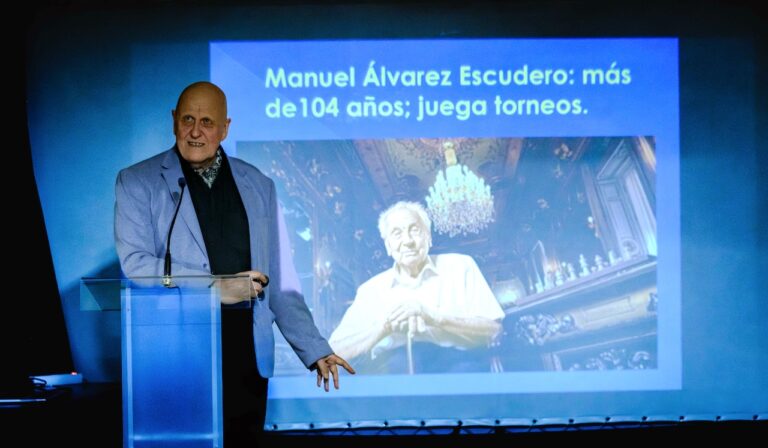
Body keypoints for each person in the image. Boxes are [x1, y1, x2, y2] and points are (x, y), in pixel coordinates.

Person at [114, 81, 354, 445]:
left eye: (207, 121)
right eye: (188, 119)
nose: (196, 131)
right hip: (176, 356)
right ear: (174, 120)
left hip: (246, 358)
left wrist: (314, 348)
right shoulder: (137, 181)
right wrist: (212, 288)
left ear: (225, 128)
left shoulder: (259, 184)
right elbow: (135, 264)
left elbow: (282, 283)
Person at [328, 201, 505, 374]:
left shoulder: (461, 265)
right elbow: (333, 352)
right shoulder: (370, 290)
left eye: (414, 230)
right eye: (397, 234)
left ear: (428, 237)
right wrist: (384, 327)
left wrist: (435, 318)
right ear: (388, 246)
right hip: (393, 374)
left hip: (460, 367)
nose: (408, 241)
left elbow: (493, 329)